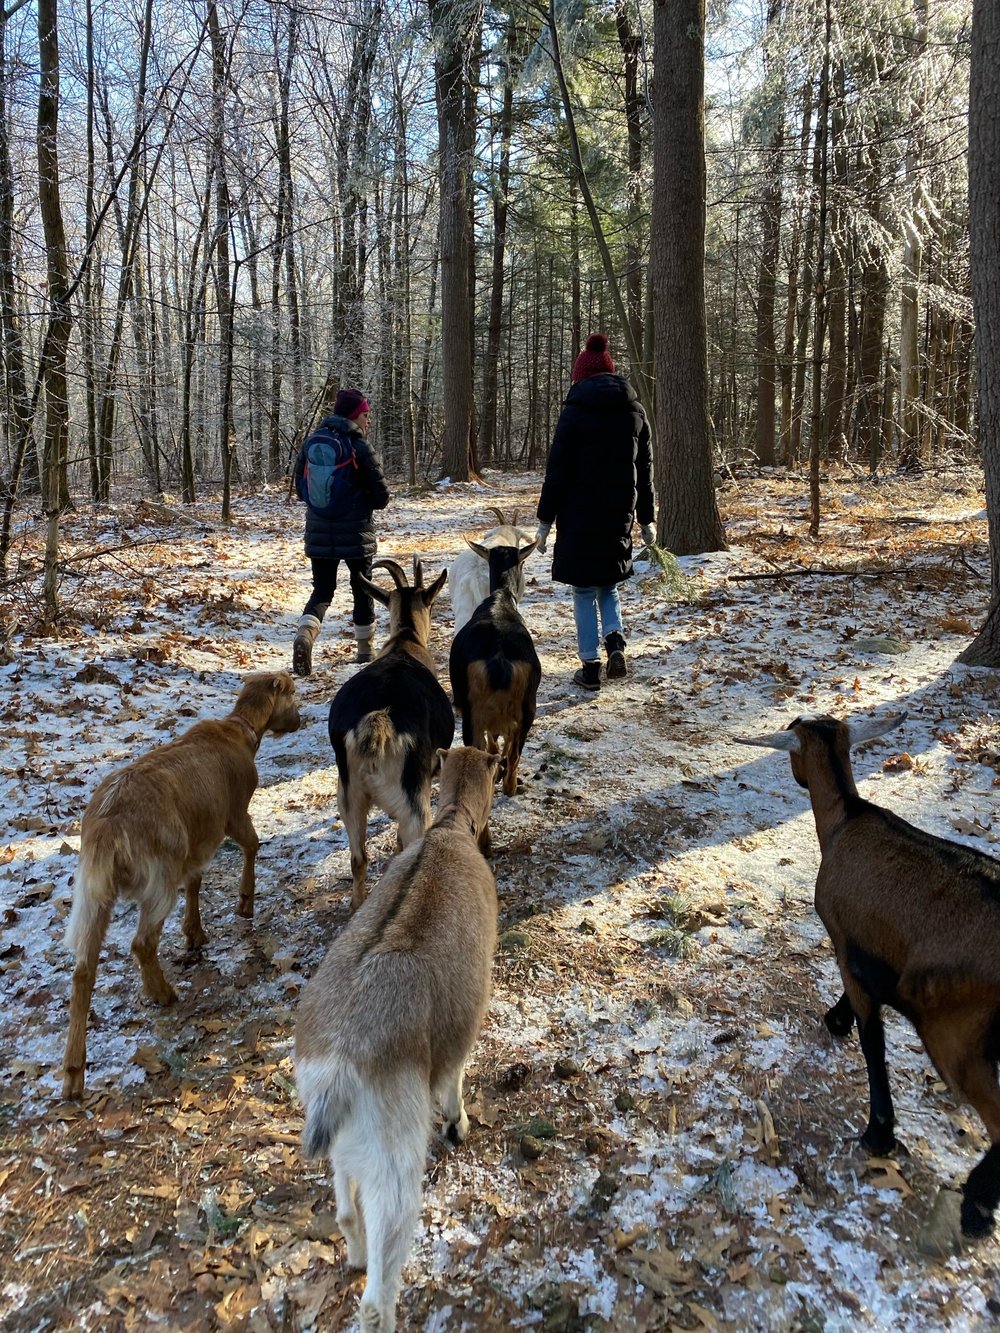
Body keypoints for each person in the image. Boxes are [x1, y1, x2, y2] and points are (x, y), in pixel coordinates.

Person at [535, 333, 655, 691]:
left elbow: (556, 472)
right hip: (619, 513)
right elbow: (644, 470)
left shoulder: (574, 412)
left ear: (580, 377)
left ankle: (590, 667)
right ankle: (615, 643)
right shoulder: (635, 411)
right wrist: (647, 519)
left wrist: (544, 521)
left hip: (578, 517)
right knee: (609, 586)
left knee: (584, 591)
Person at [292, 387, 390, 675]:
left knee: (323, 589)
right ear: (353, 416)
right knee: (362, 589)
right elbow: (381, 497)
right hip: (357, 534)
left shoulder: (312, 442)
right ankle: (365, 652)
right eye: (365, 415)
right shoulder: (360, 447)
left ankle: (305, 635)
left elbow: (301, 489)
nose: (368, 421)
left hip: (318, 533)